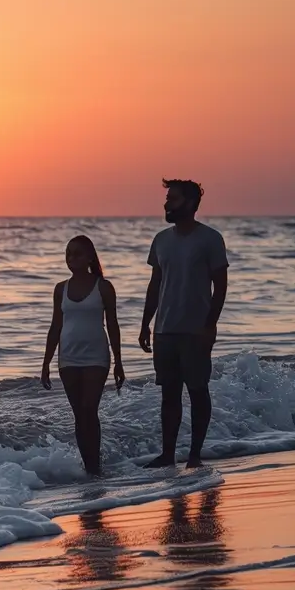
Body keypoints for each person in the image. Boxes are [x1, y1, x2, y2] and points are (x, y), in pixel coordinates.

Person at [139, 178, 228, 468]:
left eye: (173, 199)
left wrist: (210, 325)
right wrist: (145, 324)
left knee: (198, 391)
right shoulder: (161, 240)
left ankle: (195, 455)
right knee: (169, 395)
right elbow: (155, 284)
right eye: (167, 199)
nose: (167, 204)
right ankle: (167, 455)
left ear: (190, 203)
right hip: (165, 329)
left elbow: (221, 285)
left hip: (195, 330)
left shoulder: (210, 239)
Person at [40, 235, 124, 476]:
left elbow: (114, 325)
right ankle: (90, 469)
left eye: (76, 254)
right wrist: (46, 363)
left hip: (96, 356)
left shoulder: (103, 287)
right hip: (68, 358)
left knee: (89, 408)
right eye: (68, 254)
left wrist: (118, 361)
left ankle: (95, 466)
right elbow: (55, 326)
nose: (71, 258)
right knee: (79, 414)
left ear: (89, 257)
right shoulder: (61, 289)